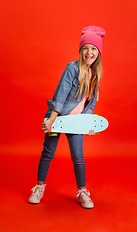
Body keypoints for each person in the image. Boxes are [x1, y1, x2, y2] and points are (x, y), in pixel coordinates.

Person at [28, 25, 105, 209]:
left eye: (93, 48)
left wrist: (88, 124)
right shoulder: (72, 68)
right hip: (57, 119)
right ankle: (39, 188)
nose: (89, 52)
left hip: (76, 122)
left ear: (98, 53)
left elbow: (90, 103)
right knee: (48, 152)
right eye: (85, 48)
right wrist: (52, 119)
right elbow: (60, 95)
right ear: (80, 51)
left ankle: (82, 191)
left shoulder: (96, 75)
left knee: (78, 155)